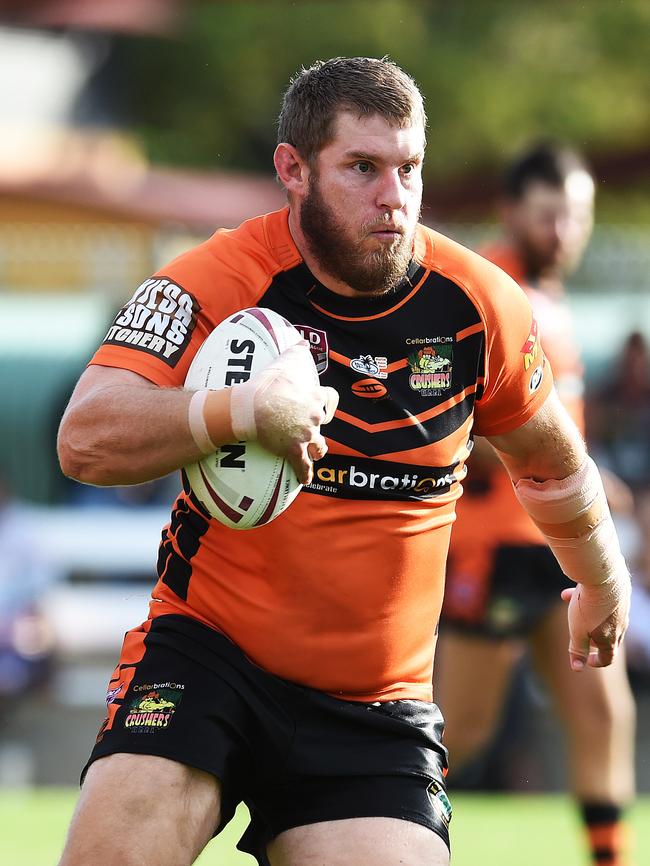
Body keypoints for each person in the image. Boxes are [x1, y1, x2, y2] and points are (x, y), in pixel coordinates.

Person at [56, 60, 630, 866]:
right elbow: (84, 436)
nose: (393, 196)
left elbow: (552, 463)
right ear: (293, 170)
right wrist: (243, 411)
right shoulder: (216, 279)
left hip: (374, 706)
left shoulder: (480, 304)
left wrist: (603, 578)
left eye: (409, 169)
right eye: (361, 168)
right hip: (206, 658)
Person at [435, 143, 636, 866]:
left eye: (577, 215)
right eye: (550, 214)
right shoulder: (488, 290)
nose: (565, 231)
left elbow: (558, 436)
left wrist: (585, 481)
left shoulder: (551, 300)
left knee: (603, 712)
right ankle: (364, 832)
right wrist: (558, 470)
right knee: (460, 730)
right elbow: (455, 425)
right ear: (511, 210)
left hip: (559, 548)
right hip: (493, 549)